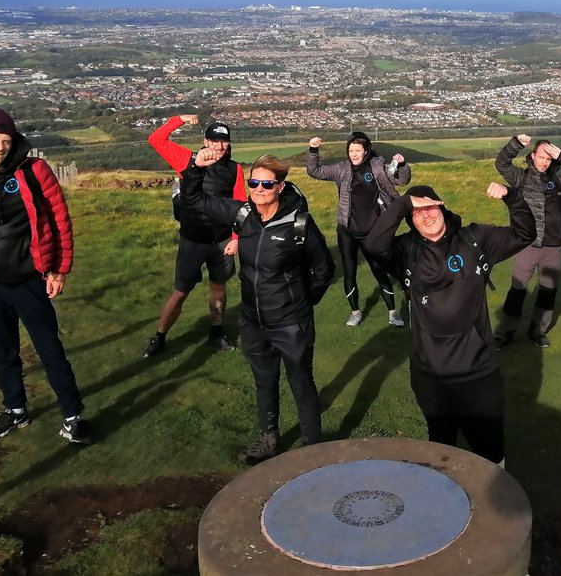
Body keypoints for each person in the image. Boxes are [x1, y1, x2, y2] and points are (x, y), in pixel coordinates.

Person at [0, 107, 92, 444]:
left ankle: (72, 416)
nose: (0, 147)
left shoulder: (36, 171)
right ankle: (15, 410)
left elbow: (60, 221)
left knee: (50, 349)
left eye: (6, 140)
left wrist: (59, 270)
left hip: (31, 279)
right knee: (4, 350)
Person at [363, 181, 535, 465]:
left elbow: (525, 233)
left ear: (442, 206)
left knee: (490, 449)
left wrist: (512, 195)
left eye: (430, 206)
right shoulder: (405, 250)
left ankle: (496, 503)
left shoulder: (475, 239)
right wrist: (406, 202)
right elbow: (372, 244)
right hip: (430, 374)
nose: (426, 215)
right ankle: (446, 503)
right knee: (441, 450)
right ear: (409, 218)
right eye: (417, 212)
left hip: (478, 371)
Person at [181, 150, 335, 465]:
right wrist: (196, 167)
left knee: (300, 381)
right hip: (253, 320)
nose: (259, 189)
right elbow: (193, 200)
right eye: (254, 182)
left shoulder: (299, 224)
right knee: (264, 380)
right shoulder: (243, 215)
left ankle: (313, 449)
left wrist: (303, 303)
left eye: (267, 184)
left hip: (291, 323)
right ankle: (268, 439)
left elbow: (324, 270)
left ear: (281, 186)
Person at [144, 114, 245, 357]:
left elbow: (240, 204)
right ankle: (159, 336)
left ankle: (217, 332)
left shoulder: (235, 169)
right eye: (214, 141)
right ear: (205, 140)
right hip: (192, 239)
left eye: (224, 142)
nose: (219, 146)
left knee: (218, 289)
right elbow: (156, 139)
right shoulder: (188, 159)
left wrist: (236, 239)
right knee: (180, 292)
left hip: (221, 240)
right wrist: (179, 119)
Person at [307, 132, 410, 327]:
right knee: (349, 272)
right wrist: (313, 150)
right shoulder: (341, 169)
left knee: (379, 271)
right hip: (347, 231)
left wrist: (402, 164)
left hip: (373, 231)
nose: (353, 154)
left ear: (366, 151)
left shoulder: (378, 167)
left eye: (358, 150)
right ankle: (355, 313)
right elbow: (315, 171)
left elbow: (402, 180)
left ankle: (393, 313)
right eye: (350, 150)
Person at [493, 134, 561, 348]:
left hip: (555, 246)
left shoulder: (560, 177)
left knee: (548, 292)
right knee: (517, 291)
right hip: (528, 244)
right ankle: (506, 332)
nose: (544, 162)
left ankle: (538, 331)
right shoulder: (521, 177)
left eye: (548, 158)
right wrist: (516, 144)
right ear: (532, 156)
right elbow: (501, 163)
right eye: (541, 157)